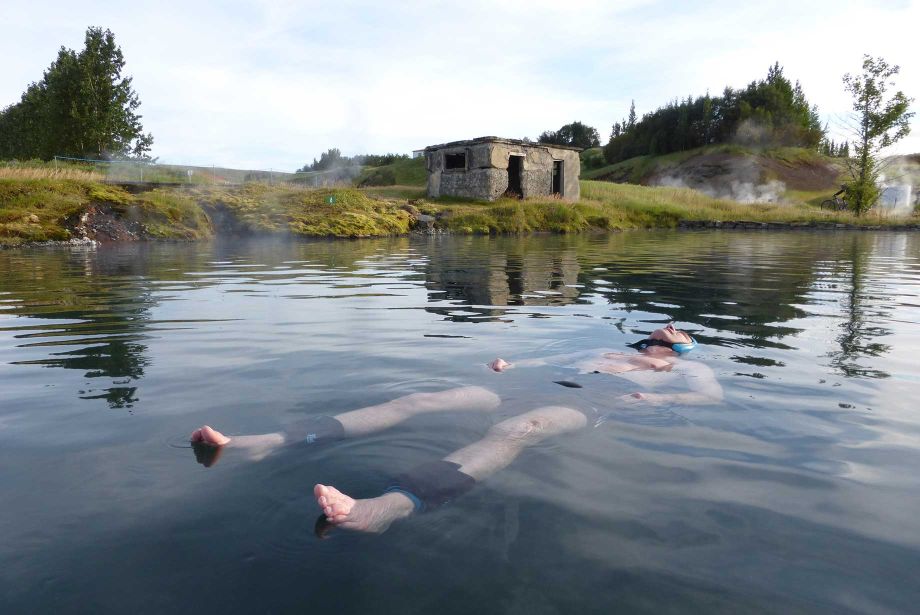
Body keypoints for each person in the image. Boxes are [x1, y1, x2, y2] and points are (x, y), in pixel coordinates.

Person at [190, 324, 721, 534]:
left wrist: (663, 391)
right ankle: (266, 444)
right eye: (666, 329)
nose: (668, 330)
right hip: (530, 383)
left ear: (684, 347)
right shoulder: (609, 349)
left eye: (677, 333)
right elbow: (552, 359)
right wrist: (512, 365)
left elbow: (709, 396)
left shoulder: (686, 367)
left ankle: (385, 509)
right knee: (420, 399)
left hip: (591, 401)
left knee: (519, 429)